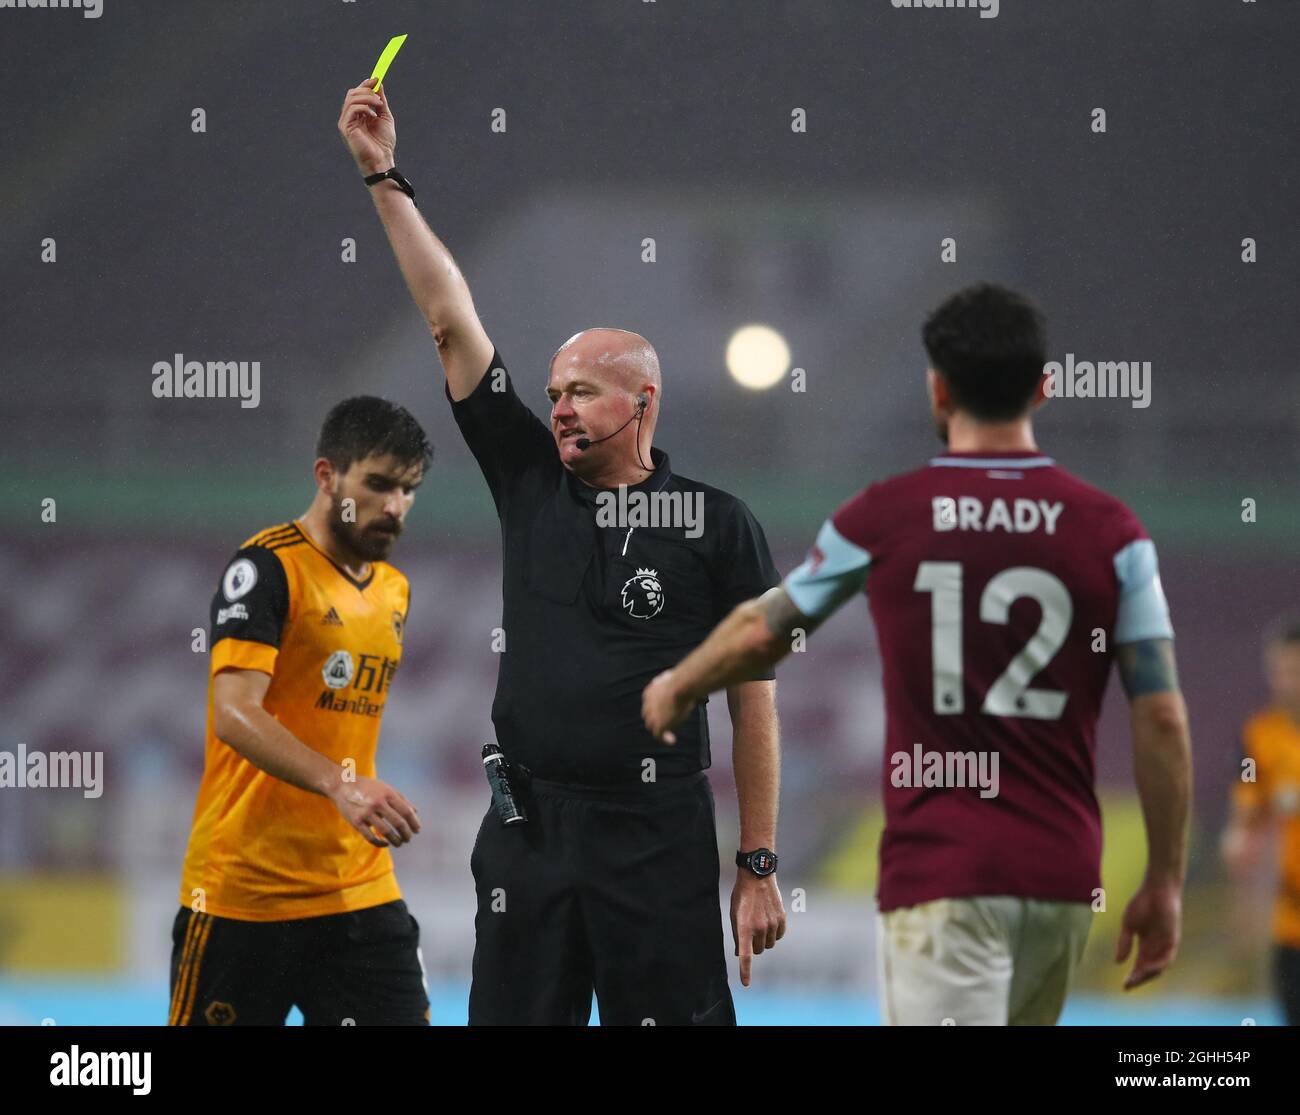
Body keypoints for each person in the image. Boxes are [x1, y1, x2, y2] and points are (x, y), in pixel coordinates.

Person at [338, 78, 786, 1025]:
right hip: (529, 829)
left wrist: (756, 864)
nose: (560, 409)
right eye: (551, 392)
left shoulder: (720, 522)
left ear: (643, 404)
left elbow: (754, 705)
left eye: (582, 391)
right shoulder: (529, 479)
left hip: (656, 834)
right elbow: (449, 317)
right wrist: (385, 175)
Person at [644, 283, 1193, 1025]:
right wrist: (1164, 879)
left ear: (937, 388)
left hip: (945, 872)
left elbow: (758, 631)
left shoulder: (885, 515)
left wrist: (679, 683)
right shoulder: (1114, 530)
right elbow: (1161, 718)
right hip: (1063, 878)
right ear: (1044, 388)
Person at [171, 397, 431, 1026]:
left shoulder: (394, 589)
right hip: (243, 895)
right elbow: (234, 713)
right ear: (327, 476)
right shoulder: (266, 569)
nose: (393, 506)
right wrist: (341, 785)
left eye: (407, 489)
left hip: (358, 892)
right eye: (376, 484)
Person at [1221, 618, 1300, 1025]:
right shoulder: (1260, 737)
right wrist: (1238, 839)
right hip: (1291, 920)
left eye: (1295, 671)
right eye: (1280, 671)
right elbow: (1247, 801)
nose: (1286, 682)